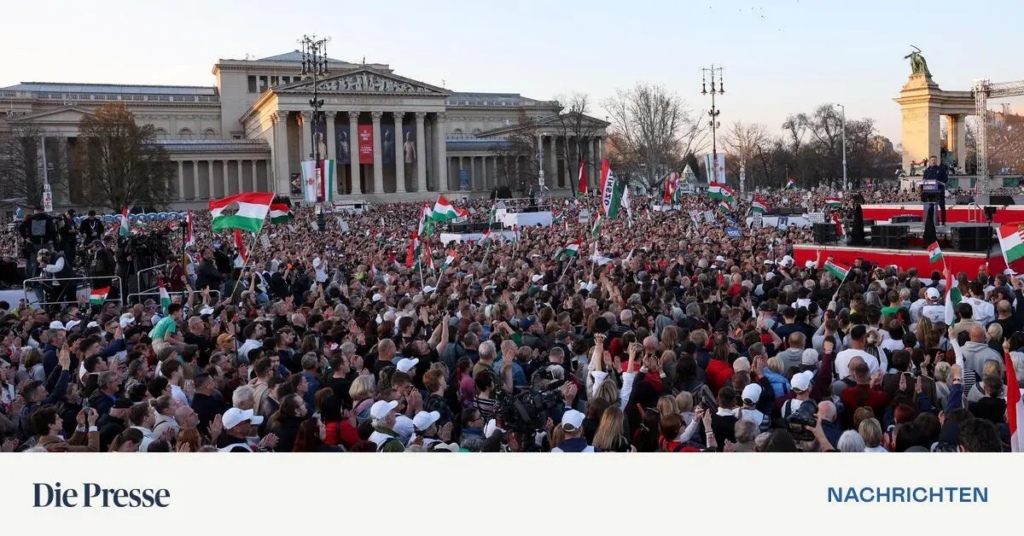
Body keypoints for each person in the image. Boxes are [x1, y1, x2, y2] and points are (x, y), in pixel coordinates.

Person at [922, 155, 948, 224]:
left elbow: (945, 179)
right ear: (929, 162)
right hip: (930, 192)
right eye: (932, 160)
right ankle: (931, 222)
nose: (933, 161)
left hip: (939, 191)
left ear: (937, 161)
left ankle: (943, 222)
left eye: (935, 160)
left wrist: (940, 183)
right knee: (931, 207)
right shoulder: (927, 170)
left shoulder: (941, 169)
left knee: (942, 207)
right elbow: (924, 180)